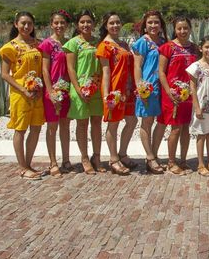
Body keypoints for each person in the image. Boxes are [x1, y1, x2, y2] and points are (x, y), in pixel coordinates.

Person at [0, 11, 45, 180]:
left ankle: (29, 164)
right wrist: (23, 89)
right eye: (23, 23)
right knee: (21, 129)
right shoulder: (10, 47)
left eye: (30, 24)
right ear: (16, 24)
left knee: (36, 128)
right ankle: (22, 166)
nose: (26, 27)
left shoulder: (38, 44)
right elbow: (5, 74)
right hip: (21, 94)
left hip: (37, 94)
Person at [96, 12, 137, 175]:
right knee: (113, 124)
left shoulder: (123, 44)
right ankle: (113, 159)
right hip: (114, 90)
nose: (115, 26)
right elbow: (105, 72)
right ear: (106, 25)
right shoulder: (104, 46)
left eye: (118, 22)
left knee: (132, 121)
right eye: (111, 23)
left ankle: (122, 153)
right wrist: (107, 95)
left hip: (127, 90)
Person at [64, 10, 103, 175]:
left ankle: (97, 156)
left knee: (96, 123)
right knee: (82, 124)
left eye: (89, 22)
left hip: (97, 89)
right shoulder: (73, 43)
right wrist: (79, 89)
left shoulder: (98, 42)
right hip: (80, 89)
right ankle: (84, 157)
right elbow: (71, 68)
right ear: (77, 25)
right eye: (82, 22)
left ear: (94, 24)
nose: (86, 25)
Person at [158, 16, 199, 174]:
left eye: (185, 28)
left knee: (185, 129)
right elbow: (161, 72)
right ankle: (171, 161)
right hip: (173, 95)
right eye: (179, 28)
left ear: (190, 29)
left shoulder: (194, 48)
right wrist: (169, 91)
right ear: (174, 30)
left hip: (189, 94)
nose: (182, 31)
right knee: (175, 129)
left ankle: (183, 160)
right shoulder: (167, 47)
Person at [38, 9, 72, 178]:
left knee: (65, 125)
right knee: (52, 126)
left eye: (62, 23)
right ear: (51, 24)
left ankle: (66, 159)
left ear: (67, 25)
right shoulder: (47, 44)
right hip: (52, 91)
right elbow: (45, 69)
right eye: (56, 22)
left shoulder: (69, 43)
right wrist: (50, 91)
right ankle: (53, 162)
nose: (59, 25)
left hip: (67, 91)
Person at [132, 10, 166, 174]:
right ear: (145, 25)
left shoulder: (163, 42)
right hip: (148, 88)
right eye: (150, 22)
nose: (153, 25)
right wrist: (141, 87)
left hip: (162, 88)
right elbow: (137, 66)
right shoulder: (142, 43)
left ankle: (153, 154)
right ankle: (150, 157)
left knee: (162, 121)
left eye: (156, 22)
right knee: (147, 122)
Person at [187, 36, 209, 177]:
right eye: (206, 47)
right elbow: (192, 87)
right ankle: (201, 164)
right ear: (201, 48)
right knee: (201, 133)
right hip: (201, 103)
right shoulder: (196, 66)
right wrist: (197, 106)